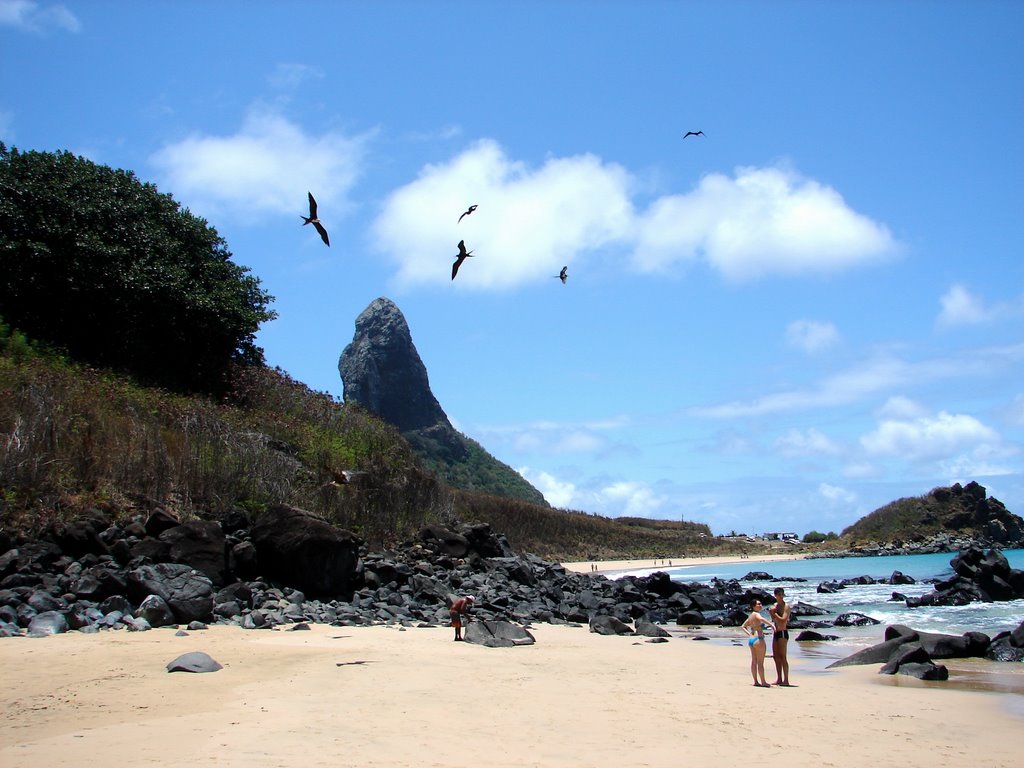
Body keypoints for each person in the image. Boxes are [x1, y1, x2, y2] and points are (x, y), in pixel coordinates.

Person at [741, 598, 772, 688]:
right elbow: (761, 619)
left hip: (752, 639)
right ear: (753, 606)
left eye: (761, 604)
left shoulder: (750, 616)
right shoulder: (757, 614)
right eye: (758, 604)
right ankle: (763, 681)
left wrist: (749, 634)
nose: (760, 605)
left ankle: (755, 681)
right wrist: (772, 625)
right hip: (759, 639)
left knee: (754, 661)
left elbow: (743, 626)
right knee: (760, 662)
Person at [769, 586, 793, 686]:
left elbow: (783, 620)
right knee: (776, 656)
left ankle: (786, 680)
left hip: (783, 632)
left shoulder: (786, 606)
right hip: (776, 632)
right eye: (779, 595)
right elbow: (773, 620)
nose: (781, 596)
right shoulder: (774, 606)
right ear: (775, 595)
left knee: (783, 656)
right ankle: (779, 678)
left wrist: (774, 614)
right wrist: (772, 613)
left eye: (782, 594)